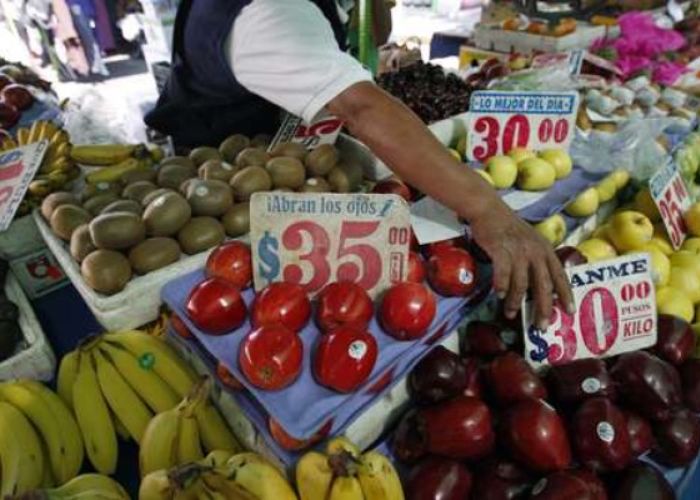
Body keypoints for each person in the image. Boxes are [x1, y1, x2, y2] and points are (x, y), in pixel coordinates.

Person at [145, 0, 574, 330]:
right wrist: (487, 210)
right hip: (221, 176)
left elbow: (377, 30)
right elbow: (361, 107)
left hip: (285, 156)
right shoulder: (273, 14)